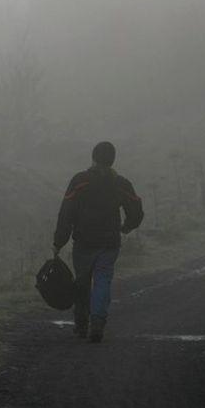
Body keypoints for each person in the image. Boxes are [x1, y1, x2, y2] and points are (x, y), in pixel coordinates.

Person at [52, 141, 143, 343]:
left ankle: (81, 324)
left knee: (82, 283)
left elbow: (66, 213)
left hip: (84, 242)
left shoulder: (80, 181)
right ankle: (98, 324)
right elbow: (136, 210)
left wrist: (59, 242)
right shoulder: (121, 183)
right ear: (112, 160)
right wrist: (127, 227)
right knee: (103, 280)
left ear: (93, 158)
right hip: (110, 243)